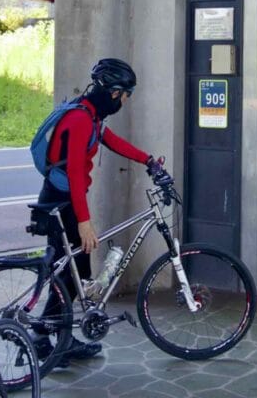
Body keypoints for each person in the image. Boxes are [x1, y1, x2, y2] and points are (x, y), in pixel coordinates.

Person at [35, 57, 163, 364]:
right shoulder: (80, 119)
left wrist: (148, 160)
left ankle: (57, 337)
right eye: (126, 95)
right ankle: (43, 335)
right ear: (114, 92)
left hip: (63, 198)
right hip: (60, 202)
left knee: (74, 272)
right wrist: (84, 222)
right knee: (71, 274)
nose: (126, 101)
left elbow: (112, 141)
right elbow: (76, 174)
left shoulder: (89, 114)